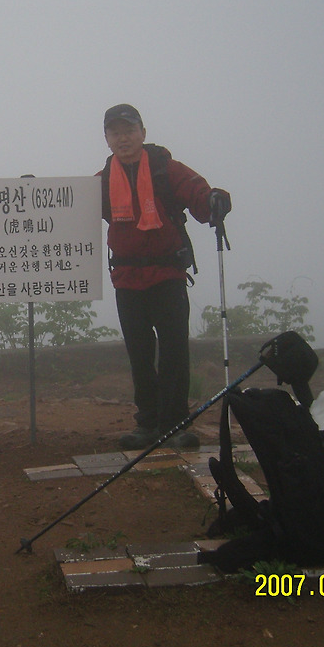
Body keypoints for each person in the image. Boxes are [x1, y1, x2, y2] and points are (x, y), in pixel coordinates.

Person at [99, 104, 230, 450]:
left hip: (167, 275)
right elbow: (69, 209)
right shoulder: (102, 180)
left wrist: (214, 200)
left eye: (129, 130)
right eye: (115, 133)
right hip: (127, 278)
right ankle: (148, 424)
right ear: (107, 139)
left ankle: (174, 425)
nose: (123, 138)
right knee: (139, 355)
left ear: (142, 132)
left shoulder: (165, 170)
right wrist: (36, 197)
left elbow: (197, 193)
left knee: (173, 353)